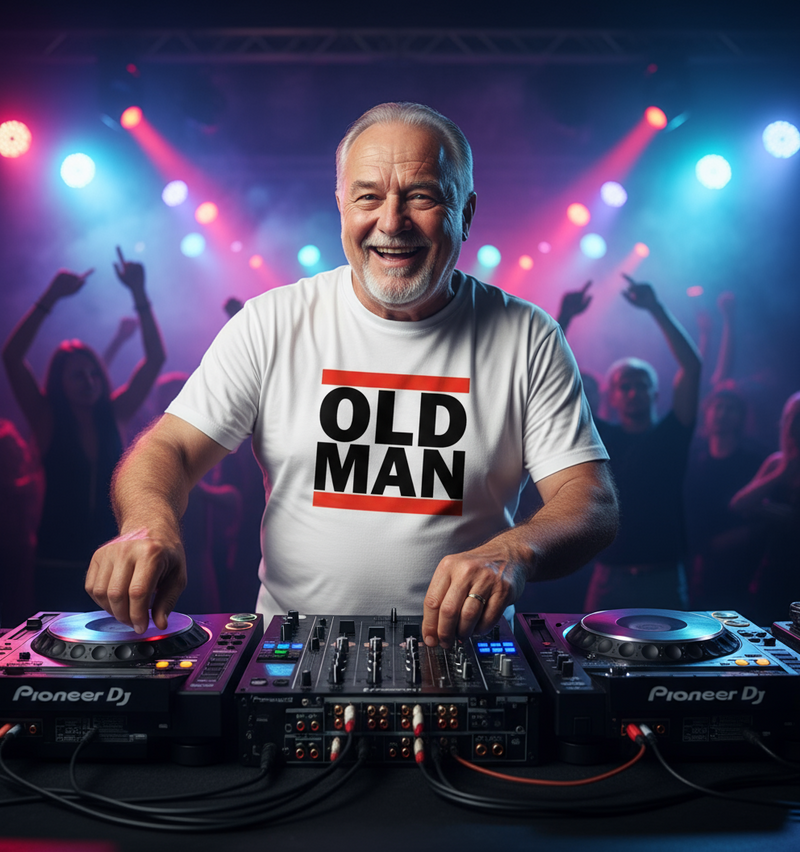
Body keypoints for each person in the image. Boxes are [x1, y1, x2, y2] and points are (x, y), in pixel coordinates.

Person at [85, 102, 618, 646]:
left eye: (422, 196)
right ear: (341, 204)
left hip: (465, 662)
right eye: (368, 196)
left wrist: (514, 551)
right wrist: (149, 526)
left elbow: (590, 500)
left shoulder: (528, 336)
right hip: (289, 663)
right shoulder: (273, 321)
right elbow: (168, 446)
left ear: (467, 211)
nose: (391, 222)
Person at [2, 248, 166, 611]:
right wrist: (50, 298)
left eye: (93, 373)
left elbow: (155, 359)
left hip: (113, 561)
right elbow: (11, 356)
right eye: (77, 374)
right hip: (56, 561)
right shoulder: (45, 417)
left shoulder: (115, 414)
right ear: (58, 381)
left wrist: (139, 293)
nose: (89, 380)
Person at [579, 275, 702, 611]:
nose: (633, 391)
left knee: (673, 663)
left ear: (655, 392)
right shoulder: (599, 434)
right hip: (609, 576)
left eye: (641, 384)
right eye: (625, 385)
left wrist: (655, 308)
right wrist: (563, 317)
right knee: (592, 662)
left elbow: (692, 368)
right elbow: (545, 376)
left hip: (663, 575)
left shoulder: (672, 433)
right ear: (612, 396)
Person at [729, 391, 800, 625]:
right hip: (772, 572)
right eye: (792, 417)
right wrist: (784, 471)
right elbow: (739, 503)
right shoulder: (777, 463)